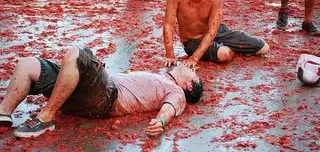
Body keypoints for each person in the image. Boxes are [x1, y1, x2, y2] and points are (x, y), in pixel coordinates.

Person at [0, 47, 204, 138]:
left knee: (78, 54)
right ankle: (3, 113)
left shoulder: (176, 91)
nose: (189, 66)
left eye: (193, 73)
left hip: (106, 97)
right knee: (27, 64)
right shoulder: (161, 76)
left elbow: (170, 108)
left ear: (188, 86)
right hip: (82, 91)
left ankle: (45, 118)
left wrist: (159, 123)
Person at [163, 0, 270, 68]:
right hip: (193, 40)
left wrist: (195, 58)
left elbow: (212, 30)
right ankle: (232, 49)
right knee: (224, 54)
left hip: (218, 33)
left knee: (264, 48)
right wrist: (170, 54)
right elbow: (168, 24)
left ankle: (232, 46)